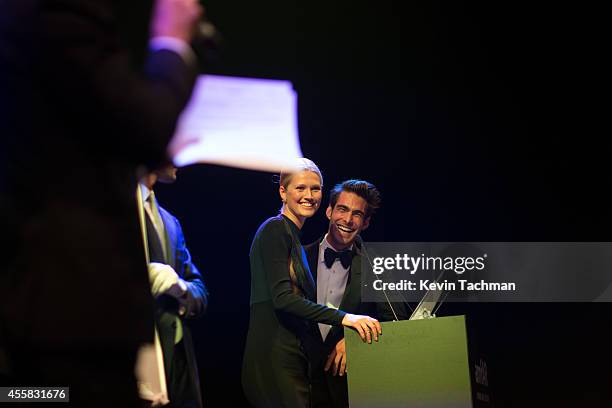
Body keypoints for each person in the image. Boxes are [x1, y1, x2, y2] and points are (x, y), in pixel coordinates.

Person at [0, 0, 202, 405]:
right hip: (67, 313)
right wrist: (172, 40)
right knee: (36, 396)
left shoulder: (170, 221)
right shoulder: (54, 14)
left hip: (71, 318)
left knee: (34, 395)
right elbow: (143, 123)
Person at [241, 159, 382, 408]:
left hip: (297, 363)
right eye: (301, 188)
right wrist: (346, 318)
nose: (309, 195)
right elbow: (283, 298)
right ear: (283, 191)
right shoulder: (275, 228)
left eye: (315, 189)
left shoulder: (292, 236)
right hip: (274, 357)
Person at [304, 179, 409, 408]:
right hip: (298, 387)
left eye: (357, 214)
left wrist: (354, 341)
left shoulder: (377, 267)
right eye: (342, 209)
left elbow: (396, 322)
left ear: (366, 223)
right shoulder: (299, 258)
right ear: (329, 211)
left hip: (348, 392)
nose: (348, 220)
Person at [140, 165, 208, 408]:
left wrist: (179, 287)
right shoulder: (110, 209)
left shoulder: (170, 222)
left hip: (176, 359)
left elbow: (200, 289)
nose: (180, 160)